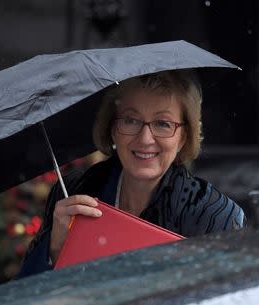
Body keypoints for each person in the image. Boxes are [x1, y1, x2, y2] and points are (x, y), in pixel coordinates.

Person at [17, 69, 246, 278]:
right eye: (130, 120)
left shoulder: (217, 216)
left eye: (163, 124)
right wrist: (55, 249)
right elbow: (22, 294)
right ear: (112, 129)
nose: (145, 139)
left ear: (183, 138)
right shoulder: (73, 192)